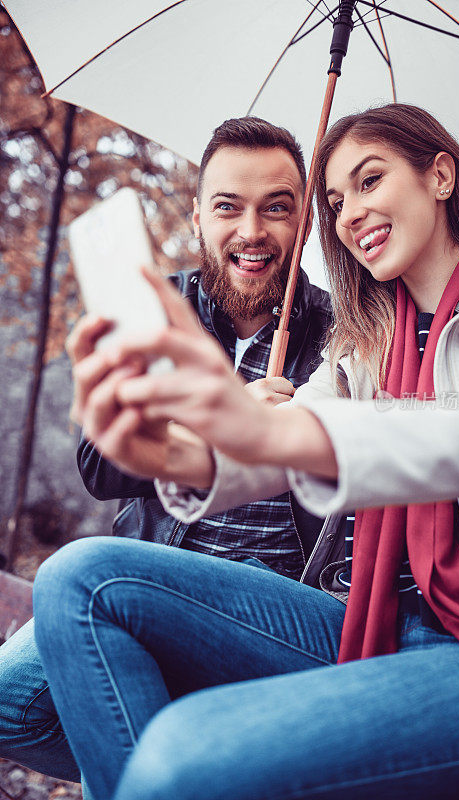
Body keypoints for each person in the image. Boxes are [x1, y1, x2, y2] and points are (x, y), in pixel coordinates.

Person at [32, 104, 459, 800]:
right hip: (366, 620)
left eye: (367, 181)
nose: (350, 212)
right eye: (335, 200)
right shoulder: (363, 343)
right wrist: (177, 453)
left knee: (173, 760)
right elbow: (289, 431)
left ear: (440, 175)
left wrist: (270, 429)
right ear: (200, 214)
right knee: (78, 575)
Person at [0, 117, 331, 786]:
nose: (251, 231)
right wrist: (222, 428)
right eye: (228, 206)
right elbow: (97, 467)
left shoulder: (342, 331)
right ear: (198, 214)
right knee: (12, 705)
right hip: (152, 571)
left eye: (277, 207)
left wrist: (286, 436)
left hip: (273, 600)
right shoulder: (157, 309)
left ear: (306, 222)